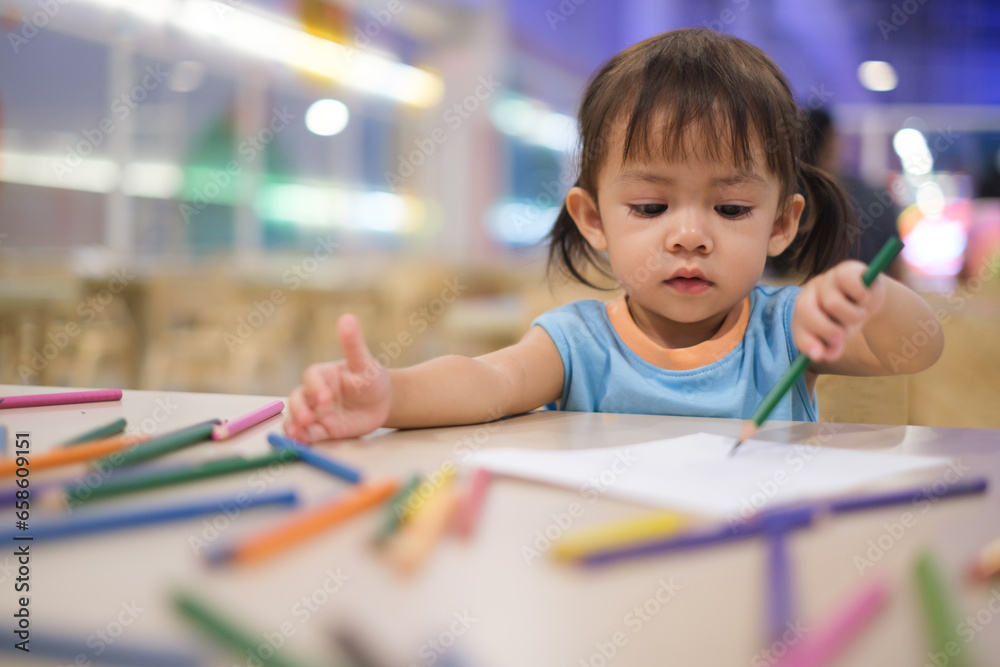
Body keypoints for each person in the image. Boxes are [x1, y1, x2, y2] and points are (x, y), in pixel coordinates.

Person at [284, 28, 943, 443]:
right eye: (652, 206)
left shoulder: (787, 328)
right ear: (593, 217)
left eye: (732, 209)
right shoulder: (578, 341)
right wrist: (390, 394)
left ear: (782, 223)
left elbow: (918, 348)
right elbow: (484, 380)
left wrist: (872, 299)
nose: (690, 236)